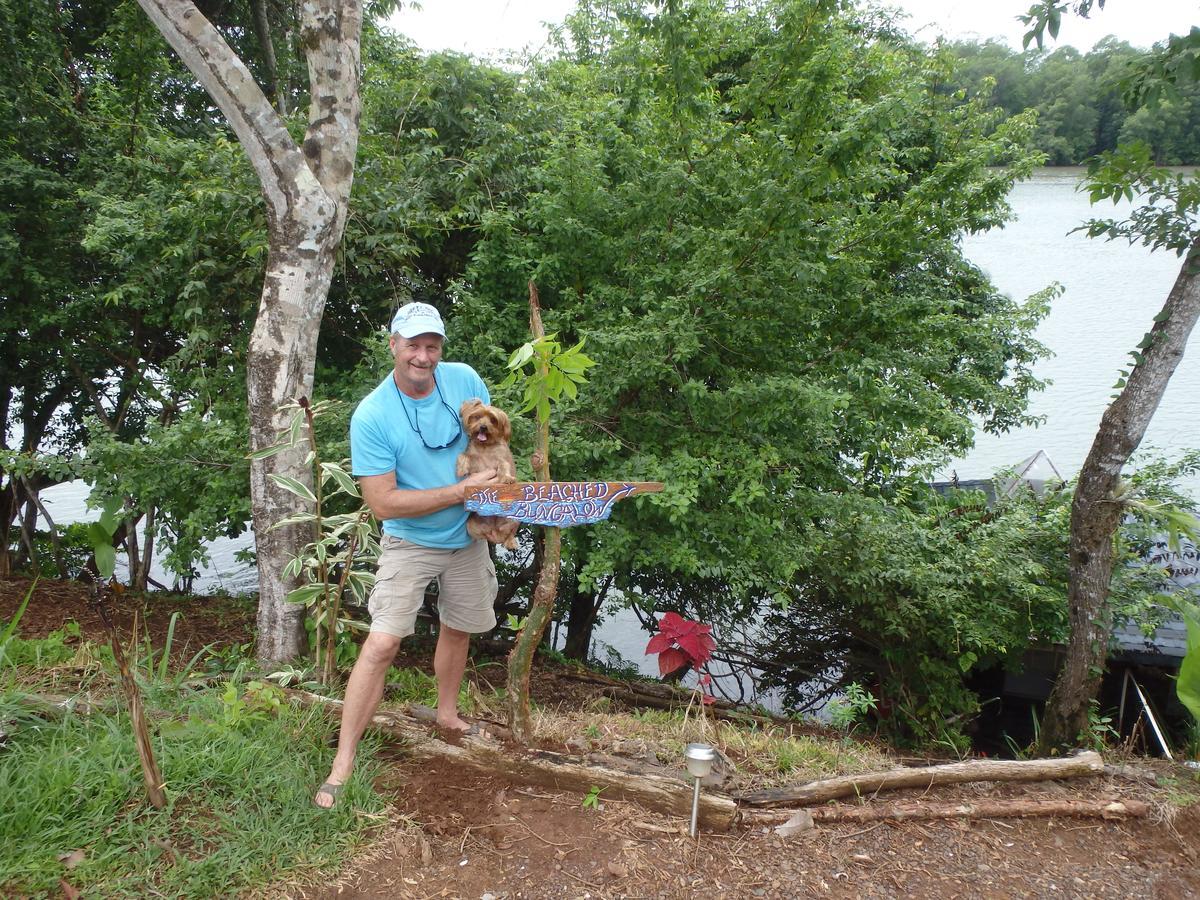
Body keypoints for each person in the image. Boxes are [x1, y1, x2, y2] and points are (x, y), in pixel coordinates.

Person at [313, 301, 500, 809]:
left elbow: (487, 451)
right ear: (393, 344)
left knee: (458, 627)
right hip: (409, 541)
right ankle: (343, 762)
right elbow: (380, 503)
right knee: (381, 645)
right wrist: (462, 494)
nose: (423, 356)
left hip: (467, 537)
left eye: (432, 345)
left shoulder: (464, 381)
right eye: (413, 345)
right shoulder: (373, 415)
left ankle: (445, 714)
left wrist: (501, 505)